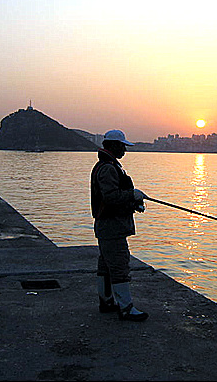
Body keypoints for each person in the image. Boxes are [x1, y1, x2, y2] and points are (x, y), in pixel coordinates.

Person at [90, 129, 148, 322]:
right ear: (113, 145)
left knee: (106, 265)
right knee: (119, 265)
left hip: (107, 226)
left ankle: (107, 302)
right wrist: (132, 195)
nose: (125, 149)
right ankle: (126, 308)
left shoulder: (107, 166)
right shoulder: (108, 168)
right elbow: (111, 197)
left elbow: (111, 198)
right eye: (122, 146)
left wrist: (133, 203)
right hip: (111, 227)